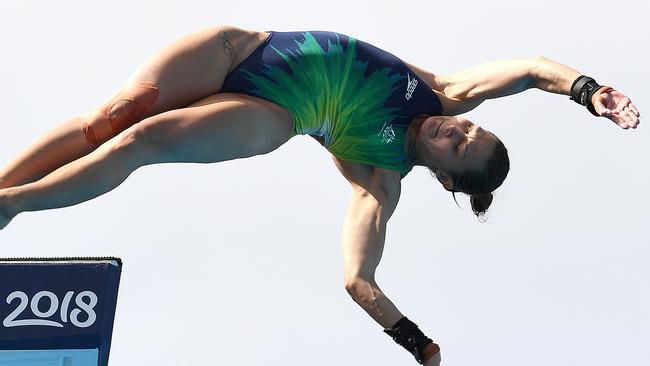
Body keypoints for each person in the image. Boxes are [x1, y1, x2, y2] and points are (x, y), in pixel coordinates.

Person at [0, 25, 640, 365]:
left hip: (265, 111)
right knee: (111, 117)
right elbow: (529, 72)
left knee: (139, 141)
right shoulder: (439, 90)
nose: (454, 129)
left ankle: (13, 204)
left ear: (445, 177)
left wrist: (411, 338)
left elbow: (357, 279)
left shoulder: (379, 177)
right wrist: (589, 91)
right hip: (239, 47)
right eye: (468, 128)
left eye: (457, 147)